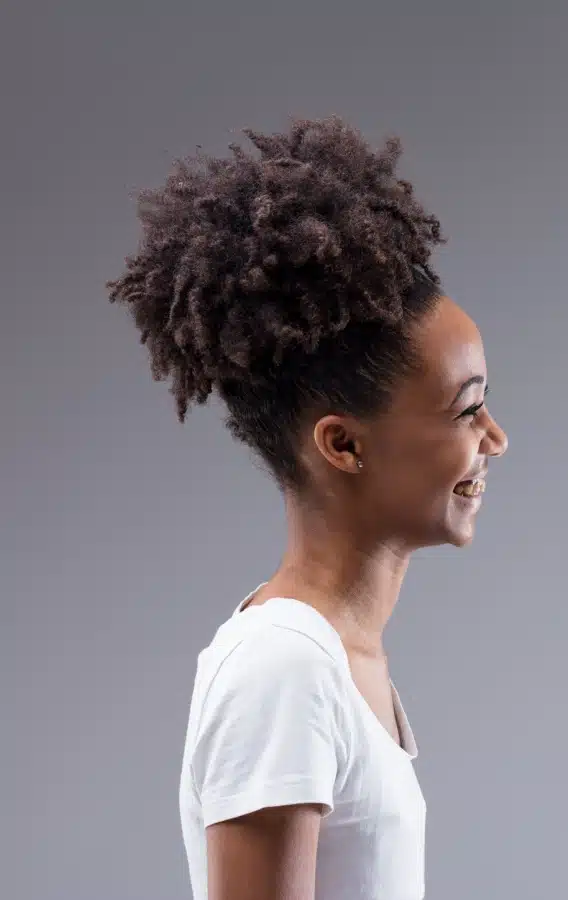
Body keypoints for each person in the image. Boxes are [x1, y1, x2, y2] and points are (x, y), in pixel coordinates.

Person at [108, 116, 509, 900]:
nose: (496, 438)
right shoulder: (284, 667)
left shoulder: (338, 662)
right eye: (467, 411)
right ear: (343, 445)